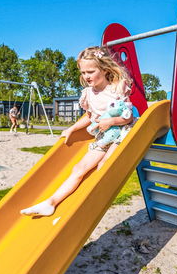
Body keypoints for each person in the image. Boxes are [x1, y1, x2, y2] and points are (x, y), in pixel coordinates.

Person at [20, 46, 134, 217]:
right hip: (104, 137)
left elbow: (128, 117)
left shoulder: (116, 88)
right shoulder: (88, 94)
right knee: (78, 168)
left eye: (90, 71)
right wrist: (71, 129)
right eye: (83, 72)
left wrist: (111, 121)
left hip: (122, 132)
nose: (86, 76)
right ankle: (51, 202)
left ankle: (93, 199)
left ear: (104, 69)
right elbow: (89, 116)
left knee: (105, 164)